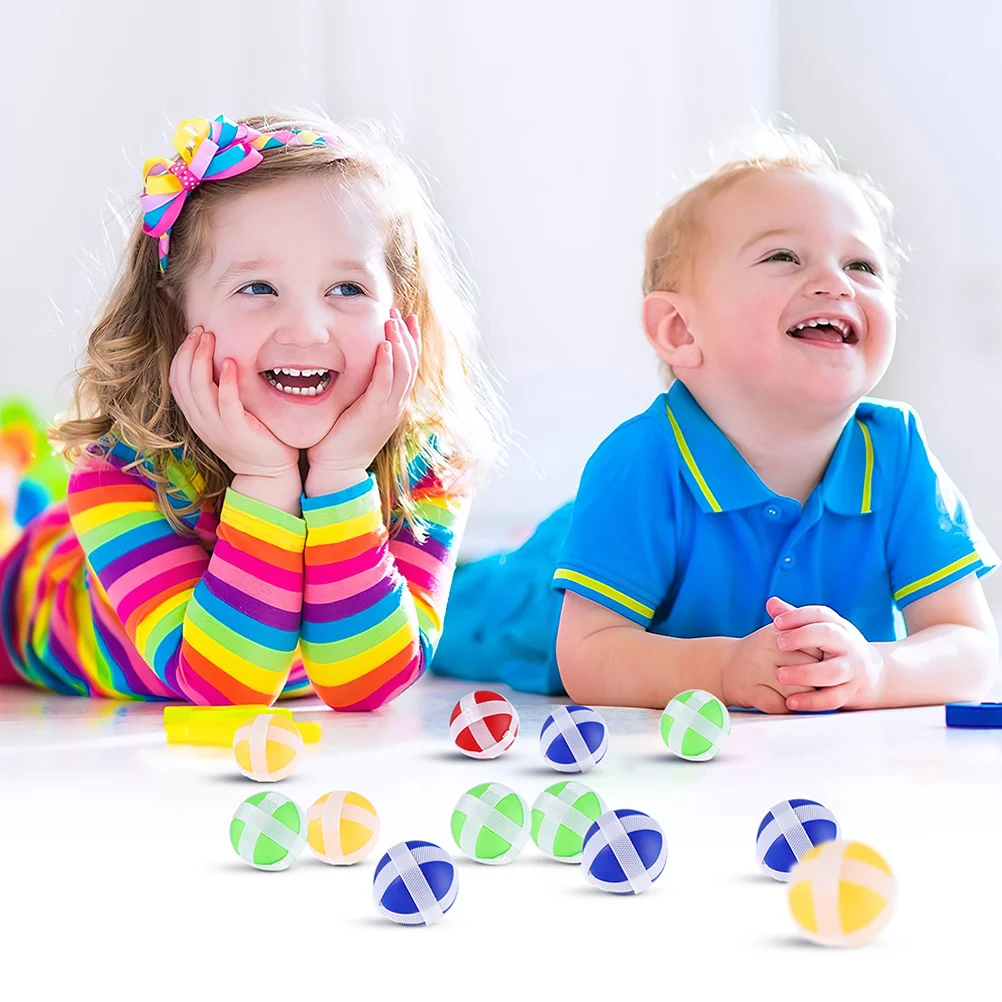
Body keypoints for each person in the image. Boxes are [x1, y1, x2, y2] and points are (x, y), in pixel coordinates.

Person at [433, 129, 998, 712]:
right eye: (784, 256)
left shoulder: (898, 456)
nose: (836, 282)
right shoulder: (643, 461)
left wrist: (877, 671)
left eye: (862, 265)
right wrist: (723, 671)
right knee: (449, 609)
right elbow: (589, 655)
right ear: (681, 330)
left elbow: (971, 645)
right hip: (534, 595)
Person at [0, 112, 501, 710]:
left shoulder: (427, 468)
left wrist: (340, 477)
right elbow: (225, 687)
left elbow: (368, 686)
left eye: (347, 289)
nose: (307, 329)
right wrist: (266, 482)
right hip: (29, 593)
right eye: (258, 288)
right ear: (174, 315)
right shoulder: (119, 474)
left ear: (402, 310)